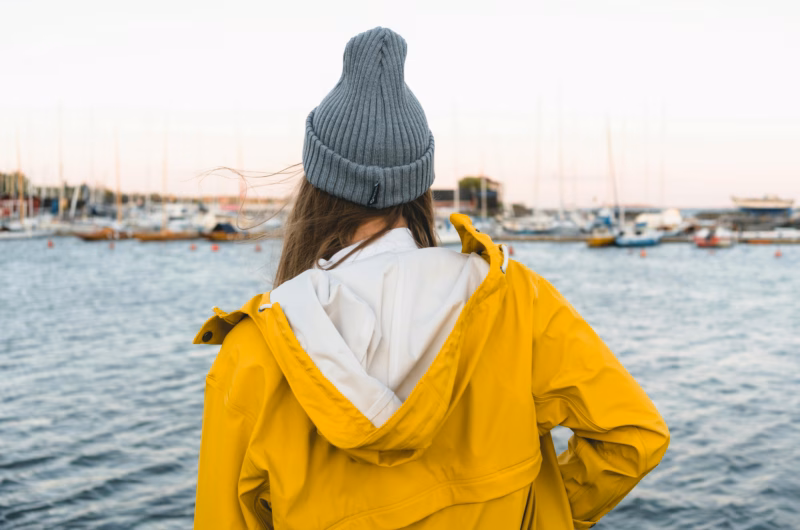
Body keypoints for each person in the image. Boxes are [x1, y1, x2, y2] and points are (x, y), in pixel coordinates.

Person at [193, 27, 669, 530]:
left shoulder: (253, 354)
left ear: (316, 185)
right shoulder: (513, 301)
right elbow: (633, 438)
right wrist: (541, 512)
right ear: (420, 186)